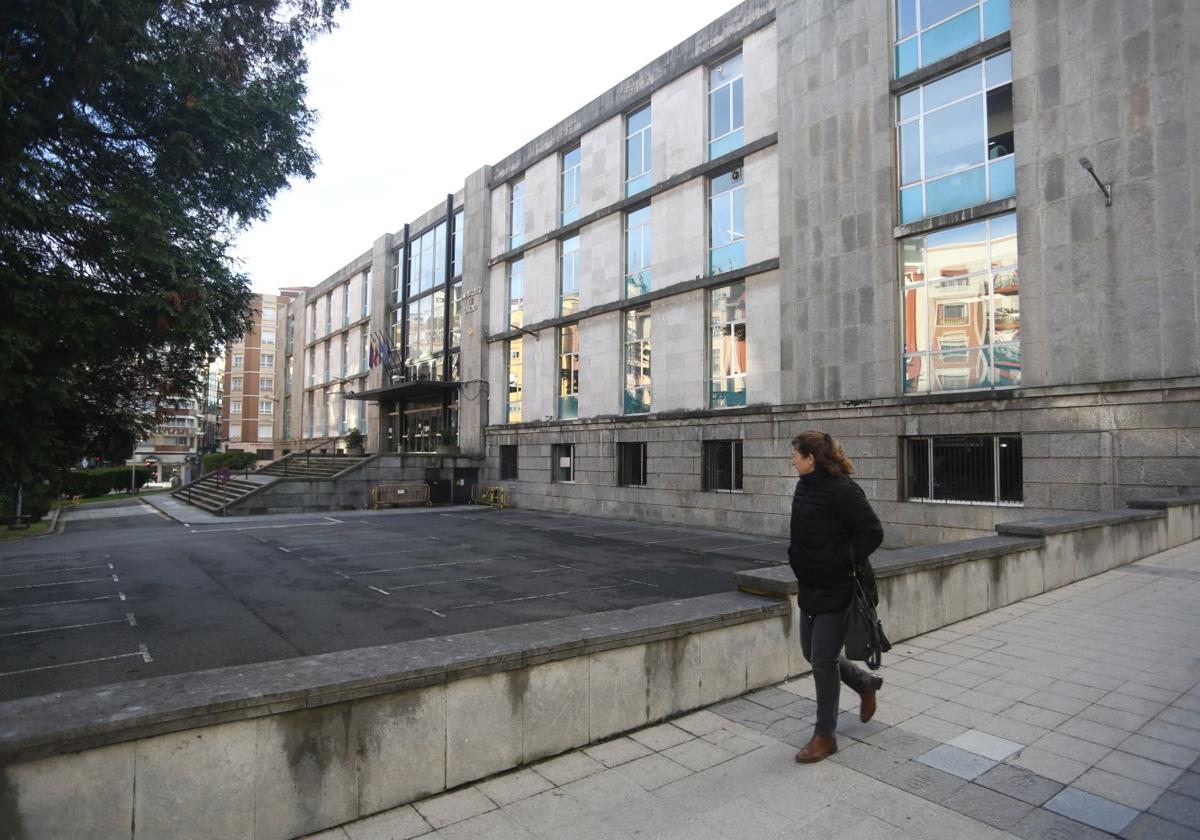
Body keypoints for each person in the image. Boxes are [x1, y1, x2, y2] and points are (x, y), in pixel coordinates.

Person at [788, 430, 884, 763]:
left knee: (823, 662)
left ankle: (825, 735)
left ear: (810, 458)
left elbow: (872, 532)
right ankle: (865, 682)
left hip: (837, 588)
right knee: (810, 652)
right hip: (810, 587)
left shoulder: (842, 489)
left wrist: (839, 560)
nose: (792, 459)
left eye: (796, 455)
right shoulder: (805, 484)